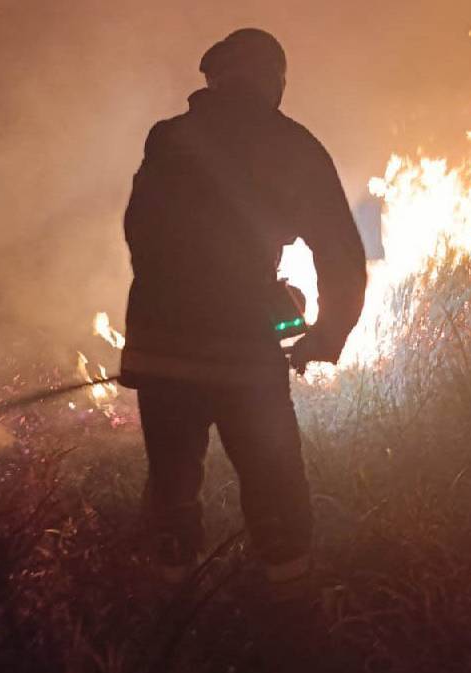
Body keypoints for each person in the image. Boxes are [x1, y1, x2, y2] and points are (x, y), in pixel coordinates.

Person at [119, 28, 367, 598]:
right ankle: (290, 616)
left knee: (173, 483)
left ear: (213, 80)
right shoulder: (290, 143)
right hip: (242, 353)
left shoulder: (168, 137)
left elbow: (141, 231)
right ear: (273, 80)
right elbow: (339, 251)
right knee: (274, 482)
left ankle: (169, 605)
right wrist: (325, 334)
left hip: (159, 346)